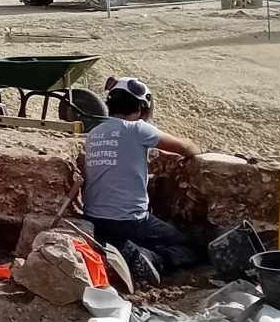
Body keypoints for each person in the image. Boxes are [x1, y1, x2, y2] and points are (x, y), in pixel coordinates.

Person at [80, 75, 198, 286]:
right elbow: (186, 148)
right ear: (142, 108)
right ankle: (151, 259)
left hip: (94, 219)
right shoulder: (137, 129)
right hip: (129, 221)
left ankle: (127, 252)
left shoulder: (94, 133)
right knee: (188, 247)